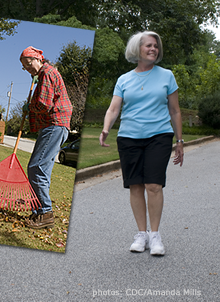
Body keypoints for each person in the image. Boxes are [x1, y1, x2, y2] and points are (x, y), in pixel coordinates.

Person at [99, 31, 184, 256]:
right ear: (137, 49)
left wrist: (180, 140)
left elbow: (175, 110)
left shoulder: (167, 76)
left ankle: (155, 236)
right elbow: (113, 108)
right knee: (135, 185)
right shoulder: (124, 79)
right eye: (148, 45)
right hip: (129, 137)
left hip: (159, 136)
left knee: (153, 184)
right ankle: (141, 234)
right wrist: (106, 127)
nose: (153, 49)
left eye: (156, 46)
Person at [20, 46, 73, 229]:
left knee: (36, 167)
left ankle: (45, 212)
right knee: (43, 170)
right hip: (55, 126)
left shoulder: (47, 73)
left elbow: (43, 104)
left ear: (38, 60)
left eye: (28, 64)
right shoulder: (44, 75)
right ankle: (39, 212)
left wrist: (29, 106)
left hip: (54, 124)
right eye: (24, 67)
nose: (28, 69)